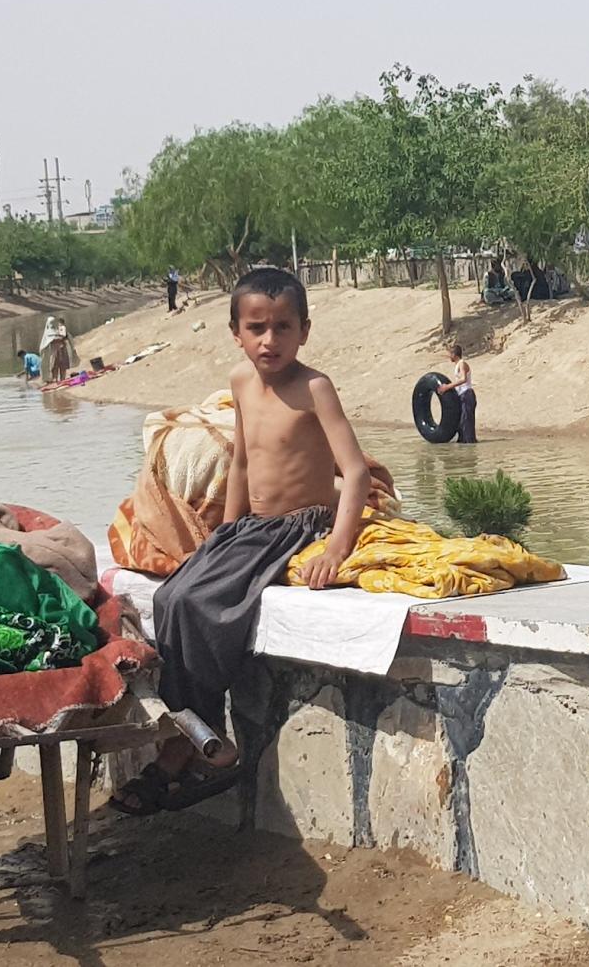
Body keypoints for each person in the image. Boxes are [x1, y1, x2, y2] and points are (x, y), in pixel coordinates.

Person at [110, 267, 370, 816]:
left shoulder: (315, 388)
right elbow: (244, 460)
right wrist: (220, 534)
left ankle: (197, 745)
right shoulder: (240, 382)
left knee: (202, 604)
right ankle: (194, 729)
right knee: (167, 597)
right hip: (248, 529)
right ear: (236, 331)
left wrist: (334, 548)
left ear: (305, 330)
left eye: (283, 327)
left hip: (297, 525)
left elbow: (356, 473)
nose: (269, 340)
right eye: (257, 328)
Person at [436, 343, 477, 444]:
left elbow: (463, 379)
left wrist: (447, 387)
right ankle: (463, 450)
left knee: (466, 423)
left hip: (467, 394)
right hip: (462, 395)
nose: (449, 356)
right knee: (461, 424)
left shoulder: (462, 363)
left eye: (450, 354)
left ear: (454, 354)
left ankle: (469, 447)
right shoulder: (457, 365)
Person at [40, 315, 73, 383]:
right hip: (54, 351)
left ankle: (63, 378)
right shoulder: (48, 332)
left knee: (63, 365)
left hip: (62, 349)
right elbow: (52, 339)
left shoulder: (58, 329)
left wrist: (63, 335)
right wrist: (59, 337)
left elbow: (65, 336)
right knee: (54, 365)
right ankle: (55, 379)